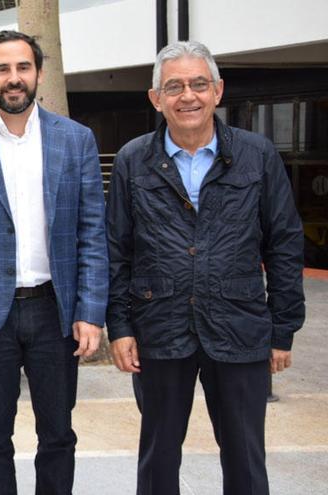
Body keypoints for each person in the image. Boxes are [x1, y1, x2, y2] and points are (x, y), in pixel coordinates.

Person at [106, 40, 306, 494]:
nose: (188, 96)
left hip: (240, 327)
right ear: (156, 99)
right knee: (158, 459)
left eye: (199, 83)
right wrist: (119, 327)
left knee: (245, 458)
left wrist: (282, 330)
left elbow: (285, 243)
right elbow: (116, 250)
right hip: (159, 330)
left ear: (218, 91)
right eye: (174, 86)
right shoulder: (131, 160)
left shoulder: (258, 155)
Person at [0, 30, 109, 494]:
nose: (13, 78)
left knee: (57, 434)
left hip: (55, 311)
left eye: (23, 68)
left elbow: (92, 232)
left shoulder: (76, 141)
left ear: (38, 74)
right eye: (3, 69)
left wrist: (90, 312)